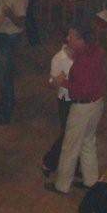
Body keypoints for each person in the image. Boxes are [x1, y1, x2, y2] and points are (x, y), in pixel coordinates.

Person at [48, 24, 105, 194]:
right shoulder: (97, 51)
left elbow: (80, 90)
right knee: (88, 142)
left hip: (82, 107)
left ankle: (62, 185)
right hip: (97, 103)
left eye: (71, 36)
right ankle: (91, 181)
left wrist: (62, 82)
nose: (68, 39)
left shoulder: (83, 62)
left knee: (70, 146)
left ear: (81, 39)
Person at [0, 0, 28, 124]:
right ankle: (5, 103)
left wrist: (10, 14)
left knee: (6, 74)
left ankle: (6, 112)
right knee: (2, 72)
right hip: (1, 35)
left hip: (11, 37)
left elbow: (20, 22)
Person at [41, 41, 74, 176]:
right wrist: (60, 81)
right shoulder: (58, 58)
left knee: (74, 134)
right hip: (66, 100)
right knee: (68, 133)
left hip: (78, 98)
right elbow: (52, 83)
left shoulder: (82, 53)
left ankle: (71, 165)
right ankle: (49, 162)